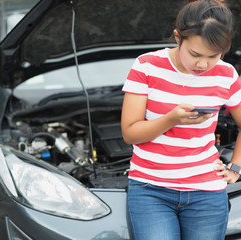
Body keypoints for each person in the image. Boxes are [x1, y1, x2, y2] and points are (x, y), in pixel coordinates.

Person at [121, 0, 241, 239]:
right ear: (178, 38)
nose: (203, 64)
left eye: (214, 55)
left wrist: (236, 169)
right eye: (195, 54)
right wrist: (171, 119)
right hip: (150, 189)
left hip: (207, 192)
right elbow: (130, 133)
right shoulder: (147, 66)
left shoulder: (226, 74)